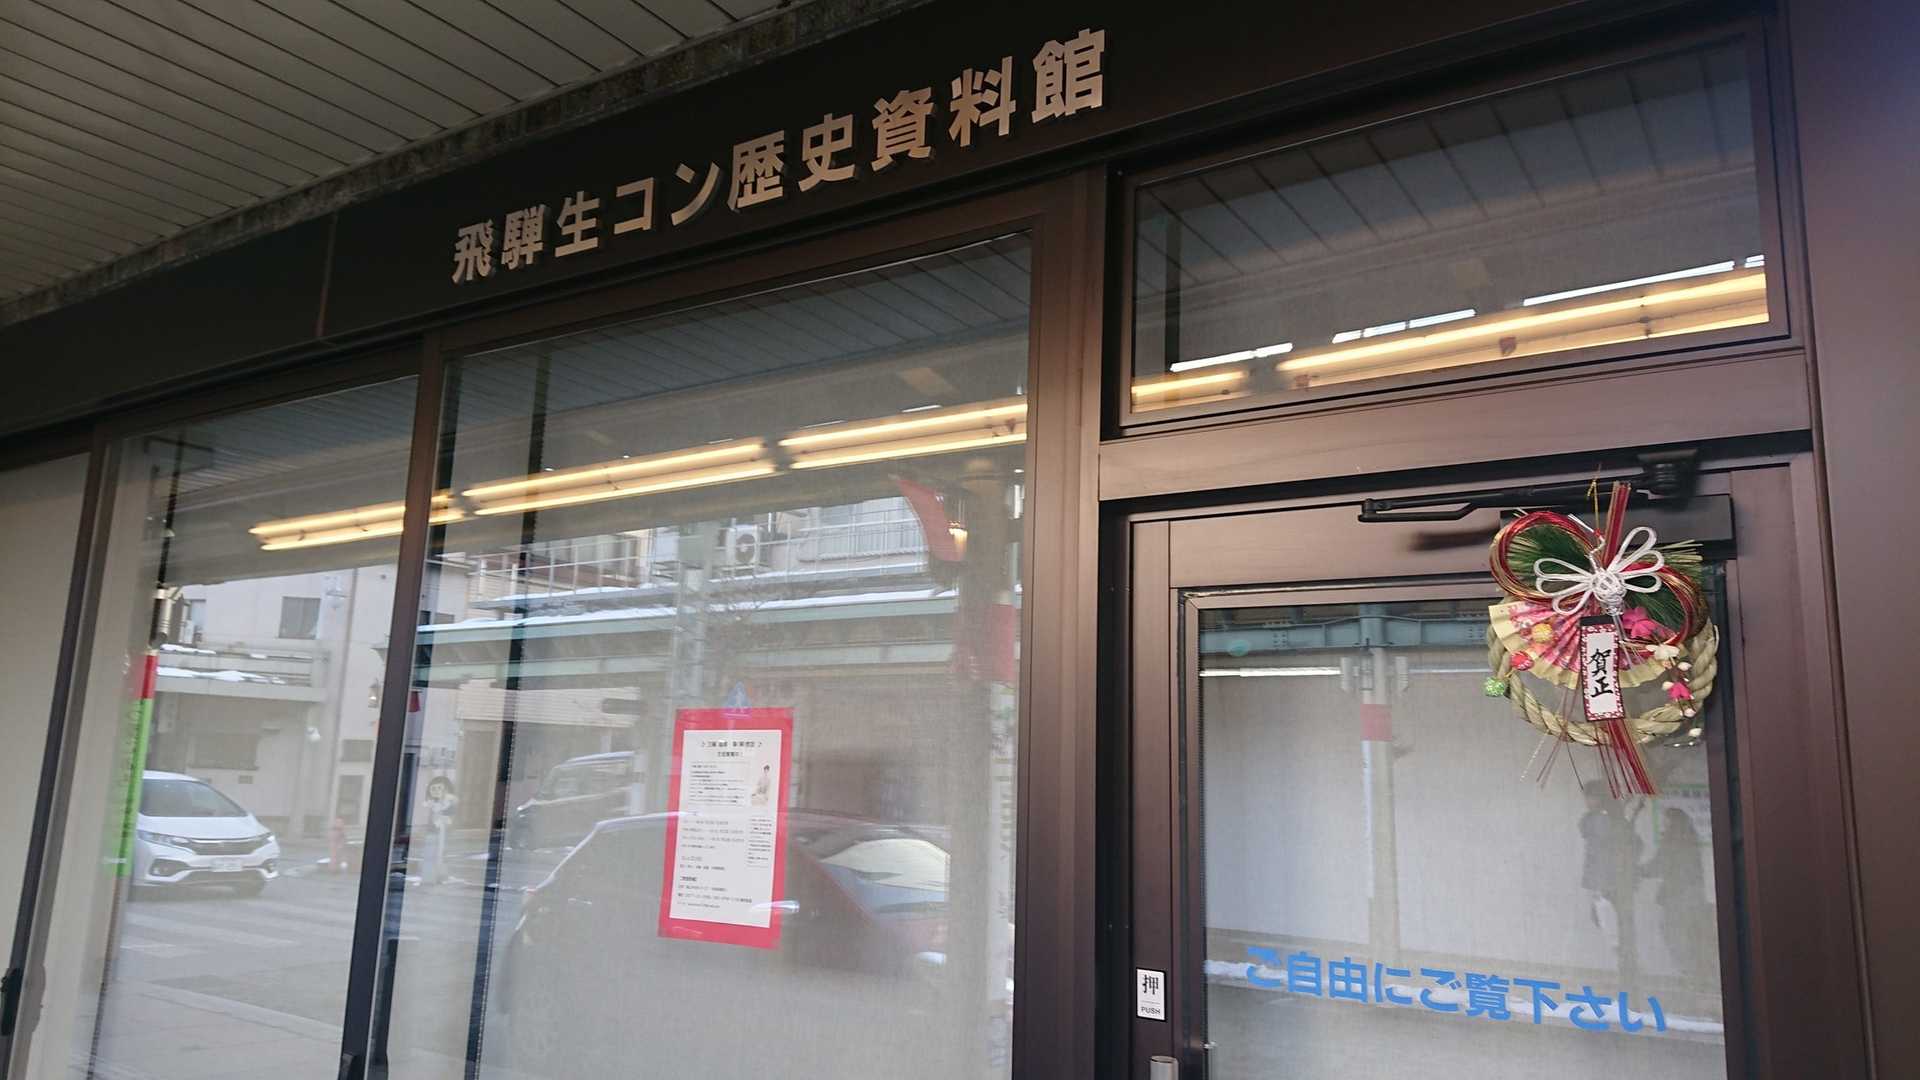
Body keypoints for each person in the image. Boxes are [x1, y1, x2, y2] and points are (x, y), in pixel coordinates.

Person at [1579, 781, 1644, 979]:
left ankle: (1626, 975)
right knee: (1615, 930)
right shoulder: (1610, 819)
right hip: (1609, 884)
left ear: (1599, 798)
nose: (1587, 801)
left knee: (1614, 933)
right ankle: (1627, 972)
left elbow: (1595, 838)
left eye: (1590, 797)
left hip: (1607, 885)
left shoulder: (1602, 820)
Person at [423, 775, 458, 885]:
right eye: (433, 788)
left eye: (440, 788)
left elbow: (450, 817)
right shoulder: (431, 804)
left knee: (442, 854)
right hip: (433, 833)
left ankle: (441, 875)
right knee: (430, 854)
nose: (436, 791)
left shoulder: (448, 804)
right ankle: (429, 877)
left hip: (444, 834)